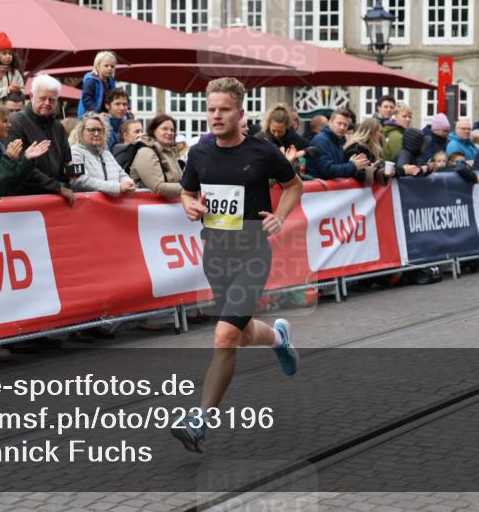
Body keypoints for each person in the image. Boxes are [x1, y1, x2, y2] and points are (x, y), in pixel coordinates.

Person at [172, 77, 303, 454]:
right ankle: (278, 339)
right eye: (211, 109)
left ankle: (199, 421)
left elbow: (294, 185)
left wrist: (279, 216)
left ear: (240, 113)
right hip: (215, 255)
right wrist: (190, 205)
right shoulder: (199, 153)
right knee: (239, 333)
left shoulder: (262, 152)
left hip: (252, 255)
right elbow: (186, 191)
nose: (216, 115)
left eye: (224, 109)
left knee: (224, 336)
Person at [4, 75, 76, 205]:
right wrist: (57, 187)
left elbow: (66, 159)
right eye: (42, 98)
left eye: (52, 100)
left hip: (54, 199)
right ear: (31, 96)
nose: (47, 103)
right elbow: (21, 167)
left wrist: (68, 171)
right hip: (25, 200)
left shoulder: (58, 126)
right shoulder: (15, 123)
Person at [69, 112, 134, 197]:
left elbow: (121, 173)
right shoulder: (75, 151)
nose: (96, 134)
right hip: (88, 204)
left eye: (99, 130)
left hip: (112, 203)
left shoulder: (106, 153)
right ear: (81, 132)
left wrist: (129, 182)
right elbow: (81, 180)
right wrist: (117, 187)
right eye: (91, 130)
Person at [306, 108, 369, 180]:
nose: (342, 127)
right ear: (330, 122)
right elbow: (327, 170)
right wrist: (352, 166)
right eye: (339, 123)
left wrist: (350, 164)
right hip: (318, 185)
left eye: (345, 125)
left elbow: (336, 167)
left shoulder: (338, 140)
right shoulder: (321, 140)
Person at [129, 114, 184, 197]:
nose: (169, 132)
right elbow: (157, 187)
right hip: (147, 203)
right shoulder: (146, 152)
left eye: (172, 130)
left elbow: (180, 180)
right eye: (164, 129)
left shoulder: (170, 152)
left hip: (168, 203)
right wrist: (190, 189)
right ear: (153, 130)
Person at [343, 118, 390, 185]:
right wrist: (370, 170)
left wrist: (382, 171)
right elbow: (358, 174)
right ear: (371, 132)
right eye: (379, 131)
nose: (380, 134)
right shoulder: (357, 148)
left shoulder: (369, 148)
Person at [78, 50, 117, 117]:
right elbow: (87, 100)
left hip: (105, 114)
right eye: (106, 65)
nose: (110, 68)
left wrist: (127, 108)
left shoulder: (111, 82)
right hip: (88, 114)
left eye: (112, 66)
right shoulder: (91, 81)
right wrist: (97, 113)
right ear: (98, 66)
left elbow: (116, 98)